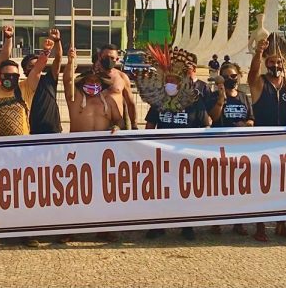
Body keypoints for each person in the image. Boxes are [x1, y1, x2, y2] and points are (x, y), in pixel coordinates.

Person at [0, 35, 53, 248]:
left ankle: (28, 232)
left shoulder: (25, 89)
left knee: (26, 193)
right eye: (6, 75)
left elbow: (37, 71)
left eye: (14, 75)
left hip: (24, 152)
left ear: (18, 76)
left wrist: (46, 51)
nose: (10, 78)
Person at [137, 45, 210, 241]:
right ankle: (157, 224)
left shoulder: (194, 100)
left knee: (186, 190)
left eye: (175, 80)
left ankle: (186, 225)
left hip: (186, 153)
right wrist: (147, 147)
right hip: (162, 153)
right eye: (168, 80)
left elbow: (205, 126)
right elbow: (150, 124)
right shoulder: (159, 101)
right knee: (160, 190)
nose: (171, 83)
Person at [62, 47, 123, 242]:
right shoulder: (75, 99)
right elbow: (67, 80)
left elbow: (120, 122)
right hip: (77, 152)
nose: (92, 84)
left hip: (101, 154)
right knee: (73, 192)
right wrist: (71, 61)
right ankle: (68, 229)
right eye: (88, 81)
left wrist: (117, 127)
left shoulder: (110, 101)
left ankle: (103, 229)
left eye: (96, 82)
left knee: (101, 192)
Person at [246, 36, 286, 241]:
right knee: (263, 184)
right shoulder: (260, 82)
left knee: (283, 185)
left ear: (284, 63)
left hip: (285, 142)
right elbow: (251, 75)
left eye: (278, 62)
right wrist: (258, 53)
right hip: (263, 140)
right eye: (271, 61)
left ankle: (281, 224)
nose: (275, 65)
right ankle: (260, 226)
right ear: (266, 63)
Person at [208, 62, 256, 238]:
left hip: (240, 147)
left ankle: (238, 221)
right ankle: (216, 222)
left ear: (238, 76)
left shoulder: (243, 97)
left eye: (233, 76)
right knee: (219, 186)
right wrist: (221, 97)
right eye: (227, 76)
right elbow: (213, 117)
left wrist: (247, 125)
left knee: (239, 186)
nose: (231, 79)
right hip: (220, 147)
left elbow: (251, 118)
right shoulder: (214, 96)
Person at [22, 28, 63, 135]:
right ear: (25, 70)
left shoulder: (49, 79)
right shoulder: (25, 85)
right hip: (34, 131)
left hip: (54, 129)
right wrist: (46, 51)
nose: (36, 67)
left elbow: (58, 59)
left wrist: (57, 41)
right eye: (31, 66)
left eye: (37, 64)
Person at [94, 44, 137, 130]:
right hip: (96, 125)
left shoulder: (122, 77)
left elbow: (130, 103)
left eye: (112, 58)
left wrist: (134, 125)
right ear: (100, 56)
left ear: (117, 59)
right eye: (106, 57)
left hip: (117, 126)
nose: (109, 60)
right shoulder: (90, 78)